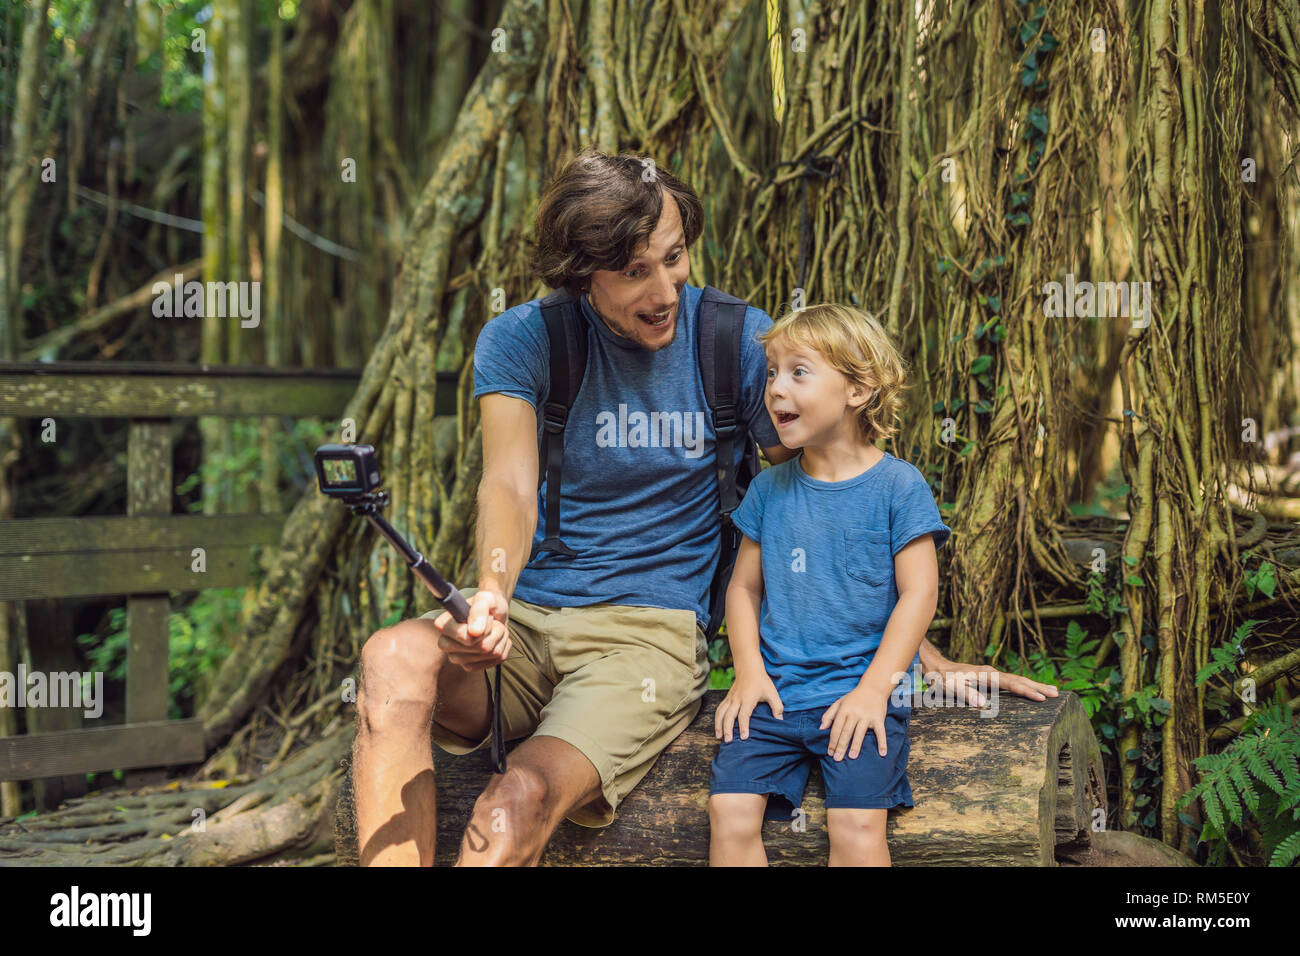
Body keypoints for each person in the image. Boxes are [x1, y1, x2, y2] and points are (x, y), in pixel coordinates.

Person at [351, 147, 1057, 867]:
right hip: (526, 618)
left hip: (646, 639)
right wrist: (492, 595)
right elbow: (506, 484)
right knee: (392, 657)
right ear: (580, 272)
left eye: (674, 256)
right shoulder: (526, 338)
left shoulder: (737, 345)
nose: (664, 290)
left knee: (515, 801)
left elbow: (819, 506)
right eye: (633, 271)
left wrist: (919, 660)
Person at [709, 303, 947, 866]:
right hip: (775, 695)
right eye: (771, 373)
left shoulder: (899, 487)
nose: (775, 389)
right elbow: (743, 590)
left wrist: (873, 691)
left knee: (857, 824)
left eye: (798, 371)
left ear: (858, 389)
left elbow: (920, 594)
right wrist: (748, 671)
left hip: (860, 691)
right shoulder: (768, 492)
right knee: (729, 814)